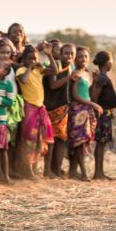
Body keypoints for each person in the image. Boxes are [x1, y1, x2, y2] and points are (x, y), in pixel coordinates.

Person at [16, 44, 57, 178]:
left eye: (35, 58)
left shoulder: (39, 70)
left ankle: (34, 168)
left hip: (40, 108)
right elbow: (23, 80)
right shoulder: (22, 70)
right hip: (29, 108)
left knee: (44, 138)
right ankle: (28, 170)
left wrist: (49, 55)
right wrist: (30, 67)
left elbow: (54, 71)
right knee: (30, 139)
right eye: (30, 59)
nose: (33, 61)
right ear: (24, 59)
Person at [68, 46, 102, 181]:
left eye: (85, 57)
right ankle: (82, 173)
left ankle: (74, 171)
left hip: (86, 109)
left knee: (84, 140)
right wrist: (92, 105)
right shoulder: (75, 74)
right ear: (75, 58)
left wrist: (95, 81)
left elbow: (90, 94)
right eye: (80, 56)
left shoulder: (87, 74)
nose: (83, 59)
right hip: (78, 110)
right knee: (79, 141)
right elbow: (75, 95)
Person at [45, 43, 74, 177]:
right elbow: (52, 85)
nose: (69, 56)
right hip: (51, 107)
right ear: (60, 54)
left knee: (61, 140)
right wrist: (70, 77)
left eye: (71, 54)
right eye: (66, 53)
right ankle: (48, 170)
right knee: (51, 140)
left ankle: (56, 169)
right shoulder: (55, 66)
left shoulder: (70, 69)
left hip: (62, 107)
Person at [90, 51, 116, 180]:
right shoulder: (102, 78)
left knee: (102, 143)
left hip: (106, 114)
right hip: (102, 115)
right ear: (108, 62)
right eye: (111, 61)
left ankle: (100, 172)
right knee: (100, 144)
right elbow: (94, 97)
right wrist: (97, 113)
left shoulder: (103, 77)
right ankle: (98, 173)